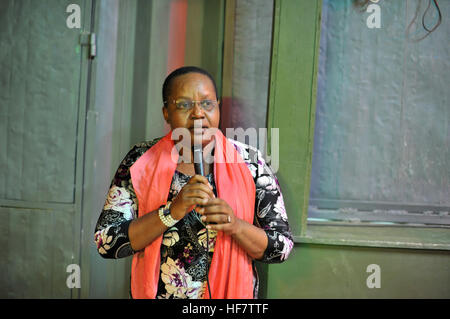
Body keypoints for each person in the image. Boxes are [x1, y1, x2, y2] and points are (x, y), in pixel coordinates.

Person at [94, 66, 293, 299]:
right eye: (184, 105)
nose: (198, 113)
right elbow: (106, 242)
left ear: (218, 107)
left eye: (207, 104)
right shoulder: (140, 161)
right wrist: (171, 212)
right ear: (166, 112)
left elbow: (281, 248)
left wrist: (235, 225)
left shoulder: (251, 163)